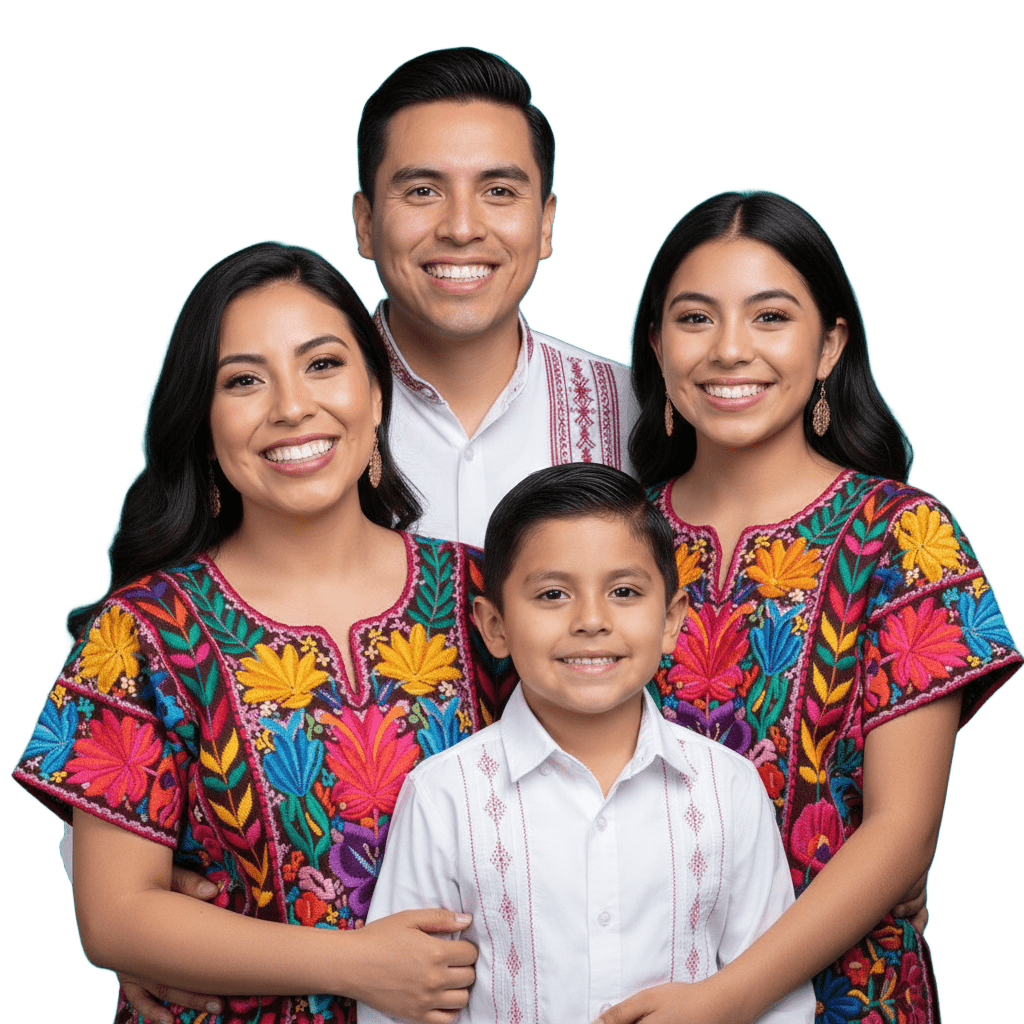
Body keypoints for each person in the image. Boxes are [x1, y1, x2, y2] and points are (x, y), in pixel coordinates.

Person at [14, 242, 516, 1024]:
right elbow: (114, 917)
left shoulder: (494, 596)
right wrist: (357, 965)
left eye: (322, 365)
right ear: (204, 424)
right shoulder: (144, 634)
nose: (291, 407)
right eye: (244, 380)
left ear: (377, 396)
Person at [596, 191, 1022, 1024]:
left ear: (828, 345)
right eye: (694, 319)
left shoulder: (902, 537)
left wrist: (727, 1000)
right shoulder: (608, 538)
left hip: (846, 998)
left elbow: (901, 835)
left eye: (770, 317)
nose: (729, 351)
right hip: (633, 985)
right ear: (655, 344)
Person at [359, 464, 814, 1023]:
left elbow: (777, 1003)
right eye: (553, 594)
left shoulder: (728, 789)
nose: (592, 620)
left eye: (624, 591)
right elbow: (400, 1007)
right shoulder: (444, 796)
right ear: (494, 625)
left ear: (671, 620)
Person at [353, 46, 637, 547]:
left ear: (546, 223)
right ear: (366, 224)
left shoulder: (635, 408)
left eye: (499, 192)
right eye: (422, 191)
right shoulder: (308, 415)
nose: (462, 229)